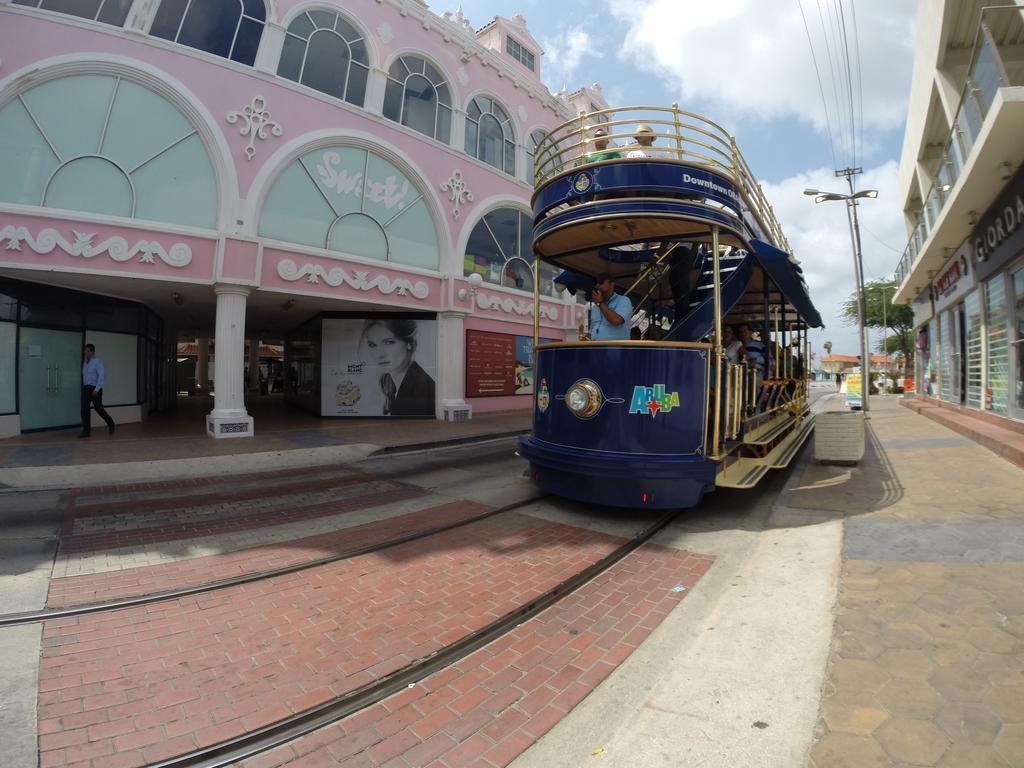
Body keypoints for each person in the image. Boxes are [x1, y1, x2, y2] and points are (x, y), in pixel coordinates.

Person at [359, 319, 435, 416]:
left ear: (409, 344)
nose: (379, 354)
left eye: (389, 342)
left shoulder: (419, 388)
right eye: (372, 345)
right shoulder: (391, 383)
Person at [79, 343, 115, 438]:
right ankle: (86, 431)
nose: (85, 353)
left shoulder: (97, 362)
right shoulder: (85, 363)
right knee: (84, 410)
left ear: (92, 352)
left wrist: (97, 389)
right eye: (85, 351)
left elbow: (101, 376)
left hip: (95, 389)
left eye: (87, 351)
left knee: (98, 409)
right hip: (86, 388)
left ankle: (111, 424)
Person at [588, 273, 633, 341]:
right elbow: (592, 330)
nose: (597, 285)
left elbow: (616, 320)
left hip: (616, 349)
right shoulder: (595, 307)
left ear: (611, 284)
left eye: (601, 282)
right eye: (596, 283)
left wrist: (600, 303)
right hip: (596, 349)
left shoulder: (624, 300)